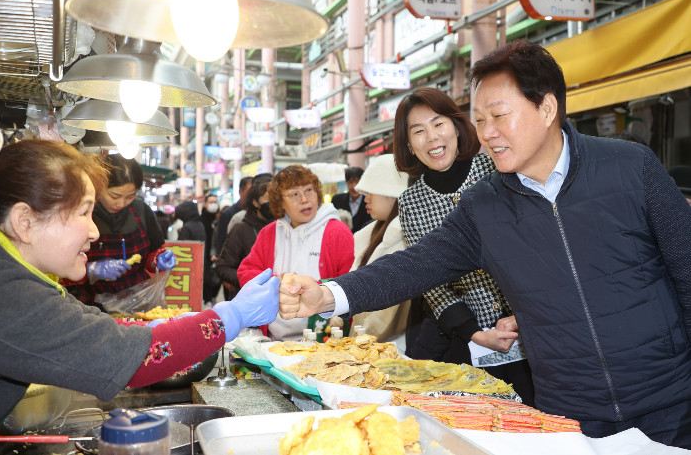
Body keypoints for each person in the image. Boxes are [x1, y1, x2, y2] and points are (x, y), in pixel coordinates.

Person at [278, 41, 691, 448]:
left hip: (669, 404)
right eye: (479, 119)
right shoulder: (484, 204)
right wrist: (328, 295)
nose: (487, 133)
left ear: (547, 109)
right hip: (567, 418)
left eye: (499, 116)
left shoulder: (631, 167)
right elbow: (415, 266)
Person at [0, 138, 280, 440]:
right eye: (83, 213)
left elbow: (91, 328)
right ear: (25, 221)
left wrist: (153, 325)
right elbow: (133, 356)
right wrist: (231, 316)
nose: (94, 231)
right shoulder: (3, 293)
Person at [393, 87, 534, 405]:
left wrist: (526, 315)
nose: (431, 137)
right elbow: (430, 281)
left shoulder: (495, 170)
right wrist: (475, 332)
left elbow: (531, 248)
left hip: (531, 327)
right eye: (418, 131)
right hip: (466, 341)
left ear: (456, 126)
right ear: (409, 146)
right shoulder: (411, 202)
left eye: (438, 123)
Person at [239, 165, 354, 340]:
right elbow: (245, 273)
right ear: (280, 201)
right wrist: (275, 282)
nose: (304, 199)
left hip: (324, 343)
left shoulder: (337, 232)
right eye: (294, 194)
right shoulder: (270, 233)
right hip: (274, 341)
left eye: (309, 190)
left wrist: (307, 288)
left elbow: (351, 283)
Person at [70, 154, 176, 307]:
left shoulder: (142, 211)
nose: (121, 203)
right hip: (89, 303)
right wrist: (90, 270)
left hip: (136, 301)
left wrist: (158, 258)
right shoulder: (80, 212)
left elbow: (152, 251)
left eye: (130, 196)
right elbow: (59, 264)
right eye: (115, 195)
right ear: (99, 186)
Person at [348, 154, 410, 354]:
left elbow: (387, 316)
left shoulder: (405, 238)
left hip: (392, 347)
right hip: (368, 343)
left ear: (392, 193)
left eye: (371, 192)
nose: (365, 198)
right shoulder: (372, 232)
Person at [215, 179, 275, 296]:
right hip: (247, 297)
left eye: (276, 199)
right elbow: (223, 267)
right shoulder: (241, 229)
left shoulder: (282, 228)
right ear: (255, 202)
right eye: (268, 199)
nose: (273, 203)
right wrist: (249, 280)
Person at [214, 177, 252, 257]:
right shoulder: (228, 214)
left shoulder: (258, 213)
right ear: (240, 192)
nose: (252, 195)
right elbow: (222, 243)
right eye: (250, 192)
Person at [332, 167, 372, 232]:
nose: (354, 186)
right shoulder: (336, 200)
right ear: (346, 182)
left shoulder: (369, 202)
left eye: (357, 182)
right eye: (350, 182)